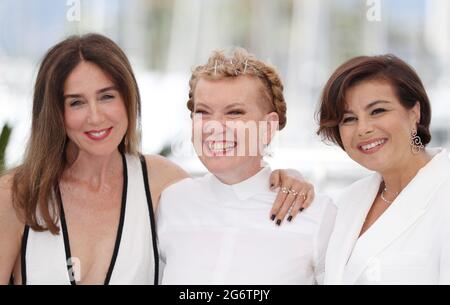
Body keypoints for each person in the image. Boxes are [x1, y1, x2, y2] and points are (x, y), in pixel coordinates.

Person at [0, 34, 311, 285]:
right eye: (76, 102)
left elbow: (232, 193)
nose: (95, 117)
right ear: (54, 112)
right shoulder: (14, 196)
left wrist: (286, 179)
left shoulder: (161, 182)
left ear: (128, 99)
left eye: (107, 96)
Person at [157, 48, 337, 285]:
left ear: (268, 127)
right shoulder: (170, 203)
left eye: (234, 113)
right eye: (203, 112)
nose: (214, 126)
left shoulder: (318, 216)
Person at [317, 54, 450, 284]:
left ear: (414, 113)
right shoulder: (349, 200)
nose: (363, 128)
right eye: (348, 119)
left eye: (377, 111)